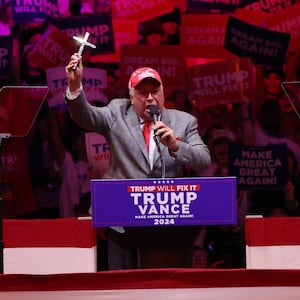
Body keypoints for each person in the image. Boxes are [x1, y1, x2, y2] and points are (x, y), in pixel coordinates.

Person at [64, 54, 211, 269]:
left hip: (167, 224)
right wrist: (75, 85)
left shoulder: (184, 121)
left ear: (164, 93)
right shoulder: (117, 112)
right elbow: (85, 116)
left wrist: (175, 145)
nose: (150, 97)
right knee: (122, 286)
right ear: (132, 97)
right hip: (122, 223)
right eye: (143, 93)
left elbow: (203, 160)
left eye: (155, 91)